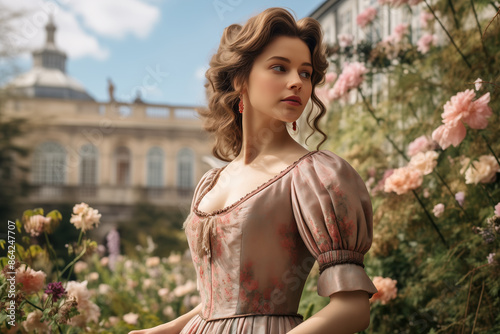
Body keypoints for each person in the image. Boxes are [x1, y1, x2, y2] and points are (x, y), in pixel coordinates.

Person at [129, 7, 378, 334]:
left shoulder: (317, 176)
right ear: (240, 79)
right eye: (279, 67)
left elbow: (353, 309)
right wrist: (159, 331)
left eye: (305, 73)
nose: (296, 83)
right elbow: (217, 304)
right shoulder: (210, 183)